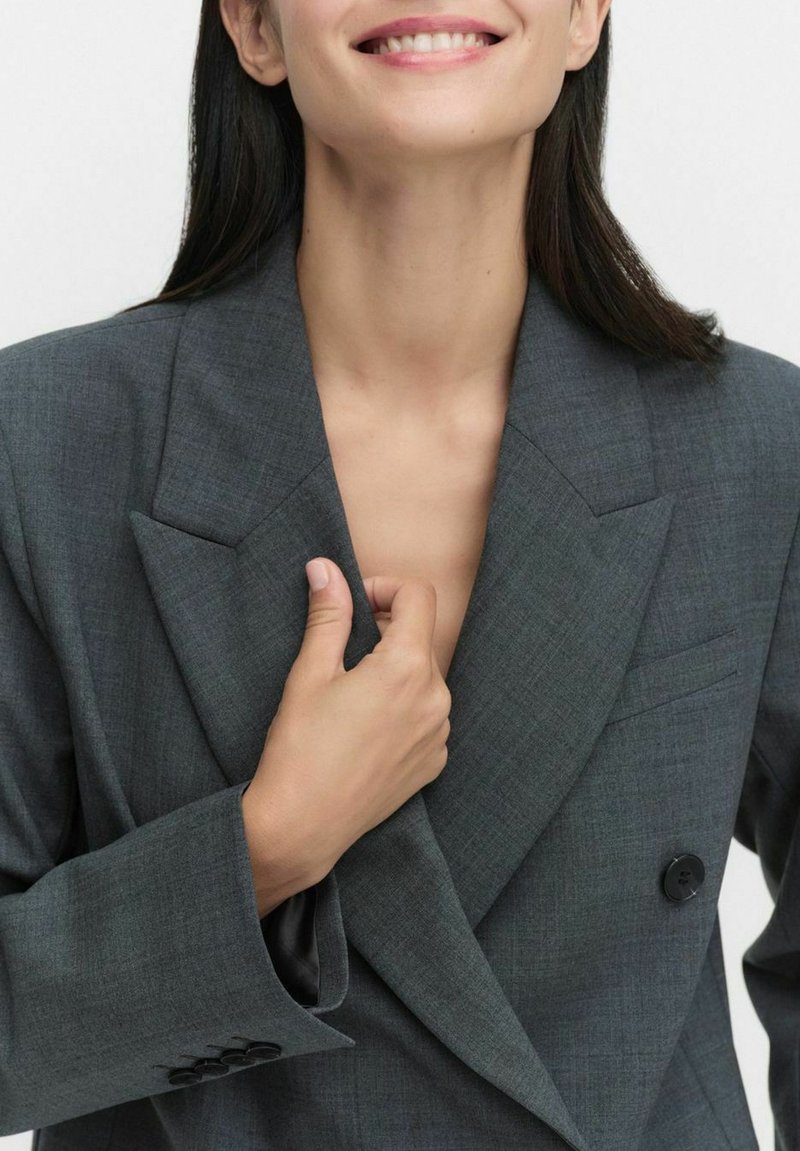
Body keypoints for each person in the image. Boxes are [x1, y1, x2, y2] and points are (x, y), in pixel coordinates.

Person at [1, 1, 799, 1148]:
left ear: (583, 16)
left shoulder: (753, 448)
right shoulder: (46, 442)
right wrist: (265, 845)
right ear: (255, 29)